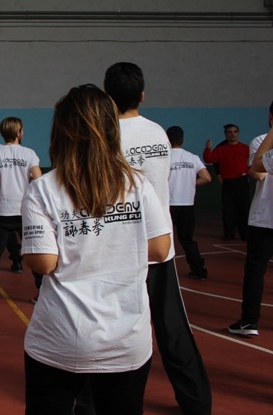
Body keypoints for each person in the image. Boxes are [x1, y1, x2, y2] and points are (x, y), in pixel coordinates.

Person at [21, 84, 170, 415]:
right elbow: (161, 249)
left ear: (61, 131)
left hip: (60, 338)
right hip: (126, 339)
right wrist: (118, 246)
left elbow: (44, 262)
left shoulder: (44, 189)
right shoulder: (136, 183)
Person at [105, 62, 212, 415]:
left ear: (107, 96)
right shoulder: (159, 134)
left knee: (108, 330)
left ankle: (95, 400)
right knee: (172, 329)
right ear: (142, 95)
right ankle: (197, 402)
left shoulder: (103, 135)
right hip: (157, 245)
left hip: (117, 251)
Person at [0, 117, 41, 309]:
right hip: (25, 213)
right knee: (34, 252)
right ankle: (41, 292)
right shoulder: (29, 153)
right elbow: (38, 179)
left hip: (1, 213)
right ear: (18, 133)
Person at [228, 101, 273, 336]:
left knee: (255, 271)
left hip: (264, 218)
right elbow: (256, 172)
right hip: (264, 217)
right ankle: (249, 321)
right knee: (255, 271)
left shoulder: (263, 144)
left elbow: (257, 168)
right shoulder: (259, 141)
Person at [167, 126, 212, 280]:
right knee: (187, 240)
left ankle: (163, 272)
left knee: (164, 238)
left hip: (168, 204)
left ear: (167, 140)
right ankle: (199, 269)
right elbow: (207, 177)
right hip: (187, 204)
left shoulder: (164, 157)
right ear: (183, 139)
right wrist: (192, 184)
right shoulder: (192, 157)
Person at [203, 124, 250, 240]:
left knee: (243, 209)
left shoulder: (245, 148)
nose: (232, 134)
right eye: (229, 132)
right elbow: (209, 159)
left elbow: (252, 161)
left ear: (238, 133)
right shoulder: (220, 149)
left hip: (242, 182)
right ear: (226, 134)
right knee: (228, 210)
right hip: (228, 183)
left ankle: (244, 234)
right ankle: (229, 234)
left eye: (235, 131)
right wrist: (208, 148)